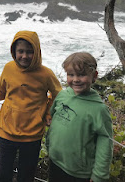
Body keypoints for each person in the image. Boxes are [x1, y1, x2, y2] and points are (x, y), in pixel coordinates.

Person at [0, 30, 62, 182]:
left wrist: (48, 114)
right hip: (8, 131)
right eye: (20, 51)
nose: (24, 56)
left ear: (37, 52)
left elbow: (58, 95)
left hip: (32, 134)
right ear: (14, 51)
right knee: (3, 175)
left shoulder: (46, 74)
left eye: (29, 51)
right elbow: (1, 92)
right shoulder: (8, 68)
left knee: (26, 176)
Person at [47, 52, 113, 182]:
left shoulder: (98, 109)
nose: (76, 79)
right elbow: (52, 115)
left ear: (94, 76)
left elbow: (105, 141)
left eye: (82, 74)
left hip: (79, 172)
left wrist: (99, 174)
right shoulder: (62, 96)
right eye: (71, 74)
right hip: (55, 161)